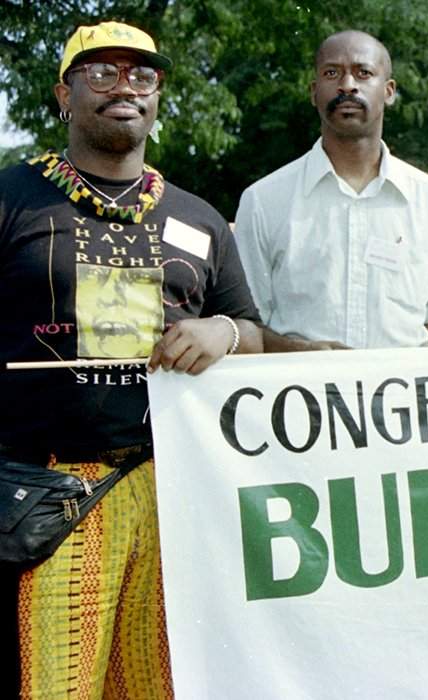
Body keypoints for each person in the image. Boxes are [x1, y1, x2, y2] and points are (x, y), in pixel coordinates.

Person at [0, 21, 261, 697]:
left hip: (173, 496)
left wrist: (222, 334)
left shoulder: (198, 217)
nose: (125, 88)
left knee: (159, 682)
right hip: (43, 500)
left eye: (141, 75)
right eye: (102, 72)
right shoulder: (12, 198)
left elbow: (255, 331)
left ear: (157, 95)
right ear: (64, 93)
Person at [233, 30, 428, 350]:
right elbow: (246, 323)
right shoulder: (263, 200)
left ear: (388, 91)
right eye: (332, 73)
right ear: (314, 92)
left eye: (363, 73)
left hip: (403, 396)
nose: (347, 85)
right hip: (302, 395)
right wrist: (300, 352)